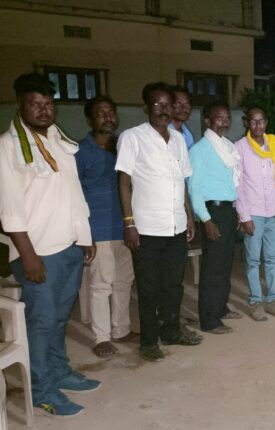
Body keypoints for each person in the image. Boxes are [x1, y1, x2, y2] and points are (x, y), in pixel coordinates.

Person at [0, 73, 98, 417]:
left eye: (48, 104)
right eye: (35, 104)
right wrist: (28, 256)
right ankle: (42, 391)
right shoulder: (8, 146)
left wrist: (84, 237)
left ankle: (59, 372)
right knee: (41, 323)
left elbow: (73, 193)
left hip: (68, 246)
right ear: (20, 105)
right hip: (38, 252)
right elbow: (9, 209)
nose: (44, 110)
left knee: (58, 319)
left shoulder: (58, 140)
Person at [116, 82, 200, 363]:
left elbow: (182, 181)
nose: (164, 110)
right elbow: (124, 182)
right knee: (149, 287)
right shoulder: (132, 137)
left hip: (176, 226)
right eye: (157, 104)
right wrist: (129, 223)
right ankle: (149, 341)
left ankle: (171, 331)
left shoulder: (178, 139)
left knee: (173, 285)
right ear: (146, 107)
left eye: (168, 105)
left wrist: (189, 216)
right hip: (147, 228)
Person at [75, 96, 137, 358]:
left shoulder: (122, 147)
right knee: (101, 284)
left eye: (111, 113)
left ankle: (121, 329)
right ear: (90, 120)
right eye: (101, 114)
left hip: (125, 226)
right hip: (98, 229)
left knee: (124, 280)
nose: (108, 118)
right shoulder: (80, 151)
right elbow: (73, 194)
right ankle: (101, 337)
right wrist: (83, 232)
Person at [188, 101, 242, 334]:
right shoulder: (199, 150)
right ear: (208, 121)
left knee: (225, 264)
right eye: (219, 118)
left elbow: (230, 183)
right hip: (213, 212)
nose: (224, 122)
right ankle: (209, 319)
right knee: (212, 268)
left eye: (227, 117)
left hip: (228, 210)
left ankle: (220, 307)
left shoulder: (227, 147)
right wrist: (206, 219)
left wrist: (235, 210)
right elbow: (194, 189)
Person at [235, 107, 275, 321]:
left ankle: (272, 299)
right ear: (247, 123)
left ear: (266, 122)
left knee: (273, 258)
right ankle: (255, 301)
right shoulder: (239, 147)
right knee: (253, 260)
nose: (258, 125)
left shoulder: (274, 144)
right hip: (253, 212)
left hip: (274, 211)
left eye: (261, 121)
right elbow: (237, 185)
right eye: (253, 121)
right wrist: (244, 216)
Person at [169, 85, 195, 150]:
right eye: (178, 103)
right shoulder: (162, 132)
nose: (184, 108)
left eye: (187, 104)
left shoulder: (187, 134)